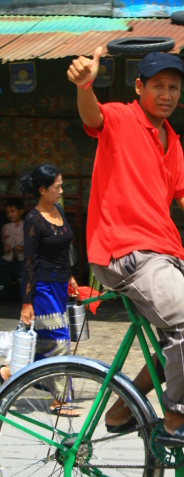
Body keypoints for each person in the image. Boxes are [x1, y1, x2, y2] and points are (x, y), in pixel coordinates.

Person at [67, 47, 184, 448]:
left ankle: (120, 409)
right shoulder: (121, 117)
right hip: (126, 250)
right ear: (139, 87)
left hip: (161, 252)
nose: (166, 94)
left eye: (173, 87)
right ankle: (177, 420)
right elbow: (91, 115)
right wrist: (85, 84)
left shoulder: (171, 138)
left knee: (178, 342)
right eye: (158, 86)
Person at [0, 165, 80, 412]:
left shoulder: (58, 210)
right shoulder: (33, 220)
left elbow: (66, 247)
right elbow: (30, 263)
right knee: (59, 339)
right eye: (57, 187)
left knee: (45, 342)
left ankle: (7, 372)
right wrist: (27, 302)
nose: (61, 191)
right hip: (41, 287)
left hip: (58, 285)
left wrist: (70, 276)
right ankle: (59, 401)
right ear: (42, 190)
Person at [0, 197, 25, 298]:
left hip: (21, 260)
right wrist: (4, 247)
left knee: (22, 283)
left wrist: (23, 247)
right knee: (2, 282)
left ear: (21, 211)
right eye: (8, 212)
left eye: (13, 211)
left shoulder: (26, 226)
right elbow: (2, 241)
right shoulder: (5, 227)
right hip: (7, 260)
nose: (10, 214)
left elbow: (32, 242)